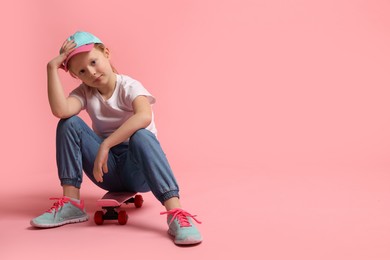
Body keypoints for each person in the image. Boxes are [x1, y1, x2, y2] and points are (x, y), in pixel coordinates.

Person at [30, 31, 202, 245]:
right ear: (76, 77)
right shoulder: (85, 92)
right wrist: (51, 68)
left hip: (139, 169)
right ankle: (71, 204)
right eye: (82, 71)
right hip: (106, 171)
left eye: (94, 62)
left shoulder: (129, 86)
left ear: (106, 53)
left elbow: (143, 115)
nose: (91, 72)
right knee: (68, 123)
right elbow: (61, 110)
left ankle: (176, 213)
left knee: (141, 135)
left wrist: (106, 144)